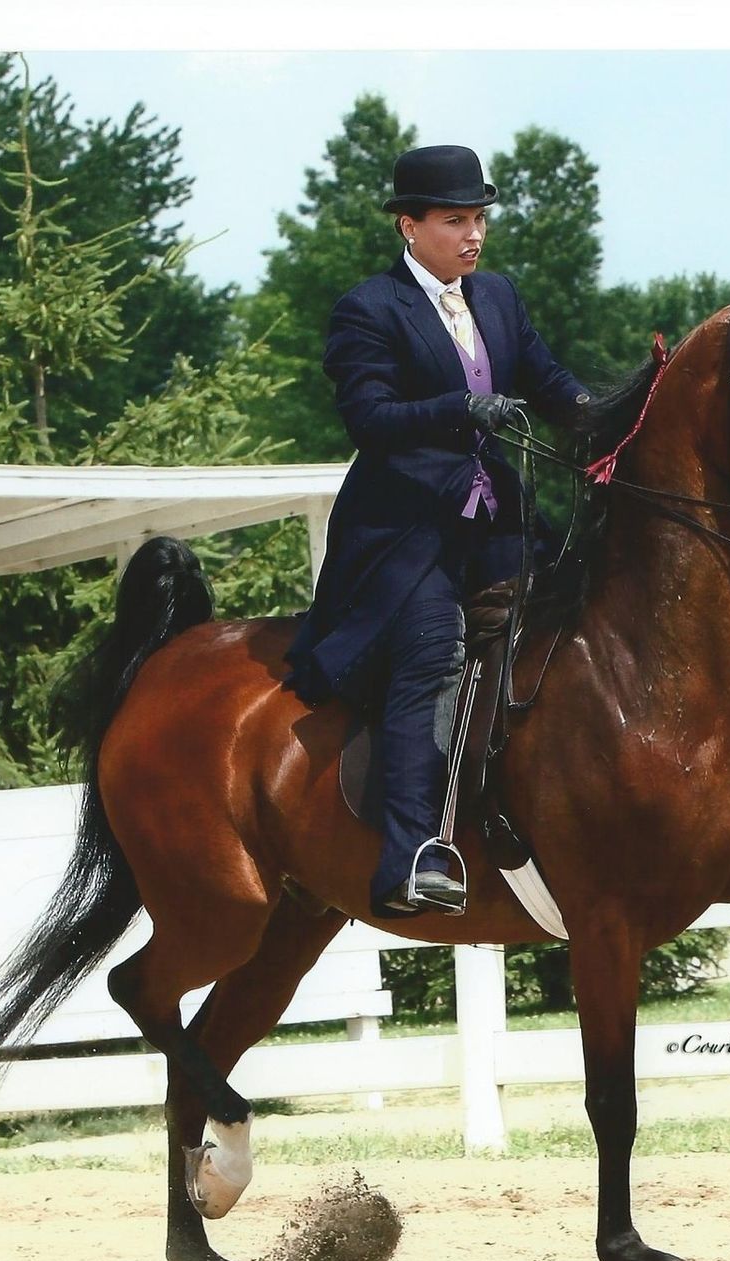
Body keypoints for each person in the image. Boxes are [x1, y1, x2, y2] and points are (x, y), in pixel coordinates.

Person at [285, 144, 593, 917]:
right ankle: (412, 853)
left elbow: (551, 383)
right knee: (432, 651)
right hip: (406, 531)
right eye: (456, 219)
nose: (474, 234)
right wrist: (462, 409)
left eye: (479, 218)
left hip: (495, 517)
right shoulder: (369, 308)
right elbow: (369, 418)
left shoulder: (496, 296)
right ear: (409, 225)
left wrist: (611, 414)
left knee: (581, 611)